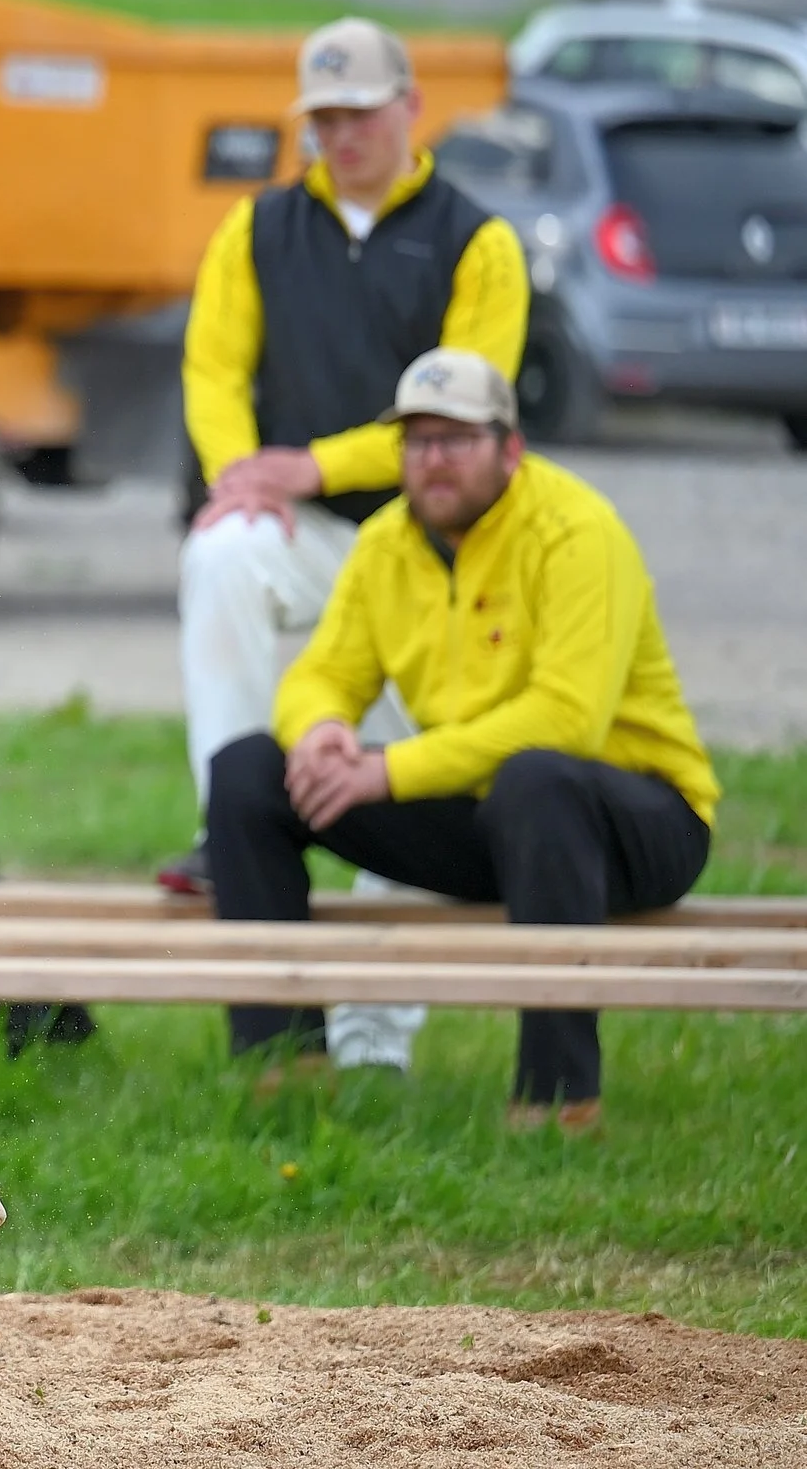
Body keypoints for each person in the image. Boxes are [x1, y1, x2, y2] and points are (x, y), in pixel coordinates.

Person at [207, 349, 718, 1135]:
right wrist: (321, 731)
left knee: (539, 779)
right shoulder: (387, 543)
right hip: (496, 824)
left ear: (510, 448)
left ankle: (558, 1103)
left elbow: (567, 719)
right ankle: (287, 1076)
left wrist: (388, 772)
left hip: (637, 822)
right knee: (246, 771)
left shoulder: (578, 531)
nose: (433, 460)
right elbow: (323, 672)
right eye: (416, 441)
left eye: (456, 439)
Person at [172, 15, 530, 1072]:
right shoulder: (256, 227)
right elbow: (212, 370)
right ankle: (222, 829)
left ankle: (375, 1052)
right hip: (311, 533)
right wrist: (244, 475)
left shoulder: (481, 243)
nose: (339, 133)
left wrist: (310, 464)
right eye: (321, 117)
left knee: (400, 771)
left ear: (411, 107)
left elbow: (466, 414)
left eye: (358, 112)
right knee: (221, 552)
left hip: (434, 555)